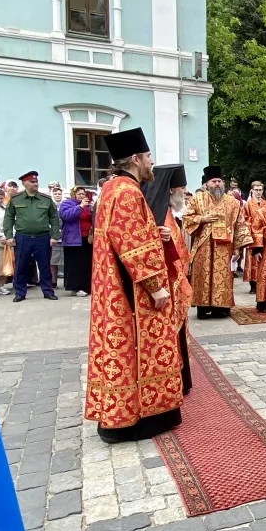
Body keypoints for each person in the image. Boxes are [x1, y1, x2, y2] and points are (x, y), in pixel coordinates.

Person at [86, 128, 182, 443]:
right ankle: (138, 419)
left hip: (115, 284)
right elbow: (130, 244)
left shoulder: (112, 189)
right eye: (149, 156)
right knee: (138, 349)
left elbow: (124, 235)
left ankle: (122, 414)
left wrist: (154, 233)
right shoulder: (128, 191)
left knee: (124, 351)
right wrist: (156, 286)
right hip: (133, 289)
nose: (152, 162)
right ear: (137, 159)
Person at [142, 164, 194, 393]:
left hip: (175, 279)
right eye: (181, 188)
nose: (184, 192)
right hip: (167, 282)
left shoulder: (171, 211)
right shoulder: (161, 213)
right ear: (171, 190)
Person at [183, 165, 252, 318]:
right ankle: (203, 308)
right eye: (214, 181)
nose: (217, 184)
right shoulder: (198, 199)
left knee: (222, 277)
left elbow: (240, 224)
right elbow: (186, 218)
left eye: (219, 181)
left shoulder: (232, 202)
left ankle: (221, 308)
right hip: (203, 246)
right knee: (203, 276)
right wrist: (202, 219)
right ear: (207, 184)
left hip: (225, 247)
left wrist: (237, 248)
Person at [2, 171, 59, 302]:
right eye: (32, 182)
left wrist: (54, 236)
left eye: (36, 181)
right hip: (23, 237)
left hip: (43, 237)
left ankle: (48, 291)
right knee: (20, 265)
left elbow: (54, 218)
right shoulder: (16, 199)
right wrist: (9, 236)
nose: (35, 184)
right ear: (24, 183)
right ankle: (20, 293)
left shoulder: (46, 199)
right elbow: (9, 218)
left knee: (45, 265)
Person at [58, 187, 93, 296]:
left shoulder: (87, 205)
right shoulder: (67, 204)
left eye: (83, 194)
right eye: (79, 194)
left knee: (86, 264)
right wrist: (80, 207)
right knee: (75, 264)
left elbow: (91, 219)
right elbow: (66, 216)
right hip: (73, 239)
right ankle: (75, 287)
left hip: (87, 239)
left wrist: (92, 210)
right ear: (74, 194)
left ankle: (86, 287)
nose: (82, 196)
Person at [49, 186, 65, 288]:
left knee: (65, 260)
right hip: (53, 236)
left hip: (65, 235)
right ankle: (53, 281)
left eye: (59, 194)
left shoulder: (65, 205)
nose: (57, 195)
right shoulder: (49, 205)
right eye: (55, 194)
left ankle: (66, 281)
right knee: (53, 261)